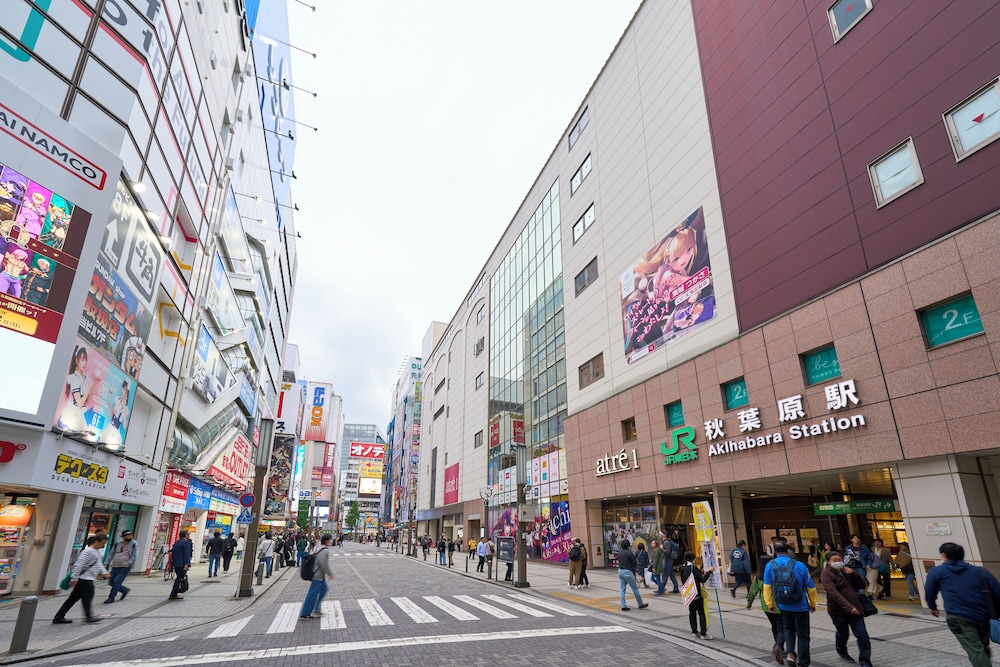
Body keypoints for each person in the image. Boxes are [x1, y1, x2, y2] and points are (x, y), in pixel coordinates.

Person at [925, 542, 1000, 667]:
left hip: (958, 617)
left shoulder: (937, 571)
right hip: (983, 616)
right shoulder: (981, 572)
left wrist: (932, 607)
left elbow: (929, 591)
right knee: (981, 646)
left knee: (976, 649)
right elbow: (997, 593)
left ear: (943, 555)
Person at [763, 541, 817, 667]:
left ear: (775, 552)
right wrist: (812, 603)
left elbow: (767, 587)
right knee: (803, 635)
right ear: (788, 551)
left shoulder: (770, 565)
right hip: (801, 605)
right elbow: (811, 587)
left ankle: (790, 653)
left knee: (788, 629)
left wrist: (770, 604)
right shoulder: (800, 565)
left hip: (782, 605)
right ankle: (803, 663)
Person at [820, 551, 872, 667]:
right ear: (828, 562)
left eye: (839, 559)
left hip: (855, 608)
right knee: (843, 634)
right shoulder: (826, 573)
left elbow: (862, 585)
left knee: (862, 634)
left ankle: (865, 661)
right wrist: (849, 607)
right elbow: (833, 593)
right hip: (838, 611)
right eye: (834, 560)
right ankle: (841, 649)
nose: (838, 562)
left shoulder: (845, 570)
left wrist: (854, 573)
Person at [53, 535, 110, 623]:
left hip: (86, 578)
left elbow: (98, 564)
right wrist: (74, 578)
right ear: (96, 542)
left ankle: (59, 617)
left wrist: (104, 572)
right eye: (102, 543)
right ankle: (88, 616)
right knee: (87, 597)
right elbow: (79, 564)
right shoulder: (88, 551)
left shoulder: (95, 552)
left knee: (72, 599)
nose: (103, 546)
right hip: (84, 579)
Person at [748, 555, 785, 664]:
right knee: (781, 627)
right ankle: (779, 645)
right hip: (778, 605)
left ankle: (778, 645)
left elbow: (753, 591)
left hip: (766, 606)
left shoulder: (758, 577)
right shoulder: (776, 574)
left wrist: (749, 603)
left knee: (774, 626)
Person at [299, 534, 334, 620]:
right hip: (317, 575)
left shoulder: (318, 547)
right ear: (326, 541)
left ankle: (316, 608)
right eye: (330, 540)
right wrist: (330, 574)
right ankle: (304, 614)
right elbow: (323, 564)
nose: (331, 541)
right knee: (312, 594)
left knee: (324, 589)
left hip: (319, 575)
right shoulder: (324, 551)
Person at [680, 549, 714, 640]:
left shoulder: (683, 568)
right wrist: (709, 572)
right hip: (697, 595)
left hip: (689, 595)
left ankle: (694, 631)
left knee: (692, 613)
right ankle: (703, 633)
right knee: (701, 614)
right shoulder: (693, 569)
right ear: (693, 559)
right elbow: (702, 580)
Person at [104, 529, 137, 604]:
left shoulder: (134, 544)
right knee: (111, 582)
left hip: (124, 566)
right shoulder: (117, 544)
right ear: (123, 537)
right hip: (115, 565)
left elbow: (134, 555)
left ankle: (111, 597)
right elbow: (111, 554)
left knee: (116, 581)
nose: (130, 537)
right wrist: (106, 563)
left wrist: (129, 563)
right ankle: (124, 590)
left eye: (131, 535)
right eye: (127, 536)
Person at [616, 539, 648, 611]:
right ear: (628, 545)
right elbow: (634, 562)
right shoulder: (629, 553)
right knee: (635, 589)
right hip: (628, 571)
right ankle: (640, 604)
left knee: (622, 589)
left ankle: (623, 605)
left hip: (620, 571)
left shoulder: (620, 553)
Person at [168, 531, 192, 600]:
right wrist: (186, 564)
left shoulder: (177, 542)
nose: (189, 536)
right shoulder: (186, 543)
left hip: (177, 563)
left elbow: (173, 553)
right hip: (182, 564)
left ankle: (174, 593)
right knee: (179, 579)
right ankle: (173, 594)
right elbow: (186, 554)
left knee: (178, 578)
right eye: (188, 534)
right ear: (186, 535)